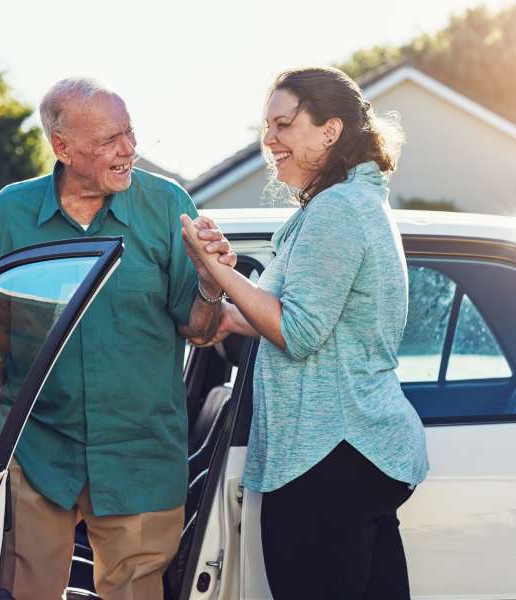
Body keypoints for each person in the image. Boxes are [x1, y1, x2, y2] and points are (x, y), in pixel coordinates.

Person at [0, 77, 234, 600]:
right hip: (40, 453)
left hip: (139, 455)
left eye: (130, 133)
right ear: (63, 147)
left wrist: (209, 285)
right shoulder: (11, 212)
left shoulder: (166, 206)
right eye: (110, 139)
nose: (129, 150)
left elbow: (201, 331)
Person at [180, 67, 429, 599]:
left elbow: (298, 331)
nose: (269, 140)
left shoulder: (338, 211)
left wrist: (221, 272)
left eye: (284, 125)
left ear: (330, 130)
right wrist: (223, 304)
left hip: (331, 457)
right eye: (266, 127)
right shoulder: (347, 203)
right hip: (357, 456)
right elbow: (286, 315)